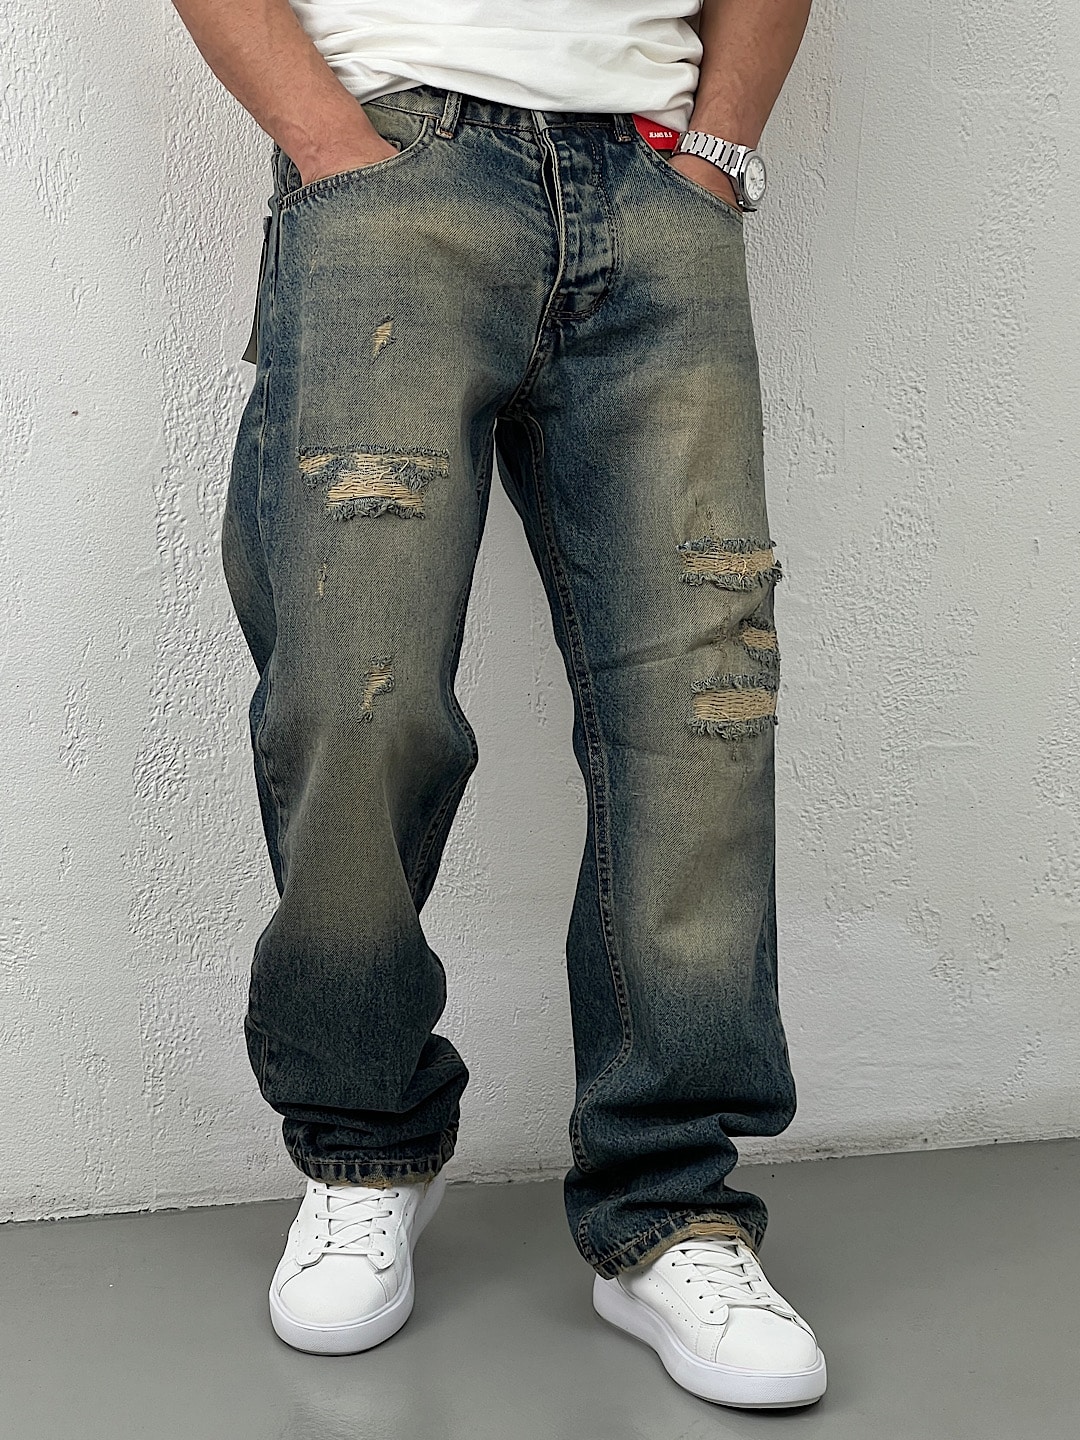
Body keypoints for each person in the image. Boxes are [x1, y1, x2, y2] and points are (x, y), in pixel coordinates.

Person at [171, 0, 825, 1410]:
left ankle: (671, 1208)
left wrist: (716, 155)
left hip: (656, 177)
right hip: (393, 160)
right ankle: (362, 1148)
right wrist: (331, 145)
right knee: (355, 694)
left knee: (701, 709)